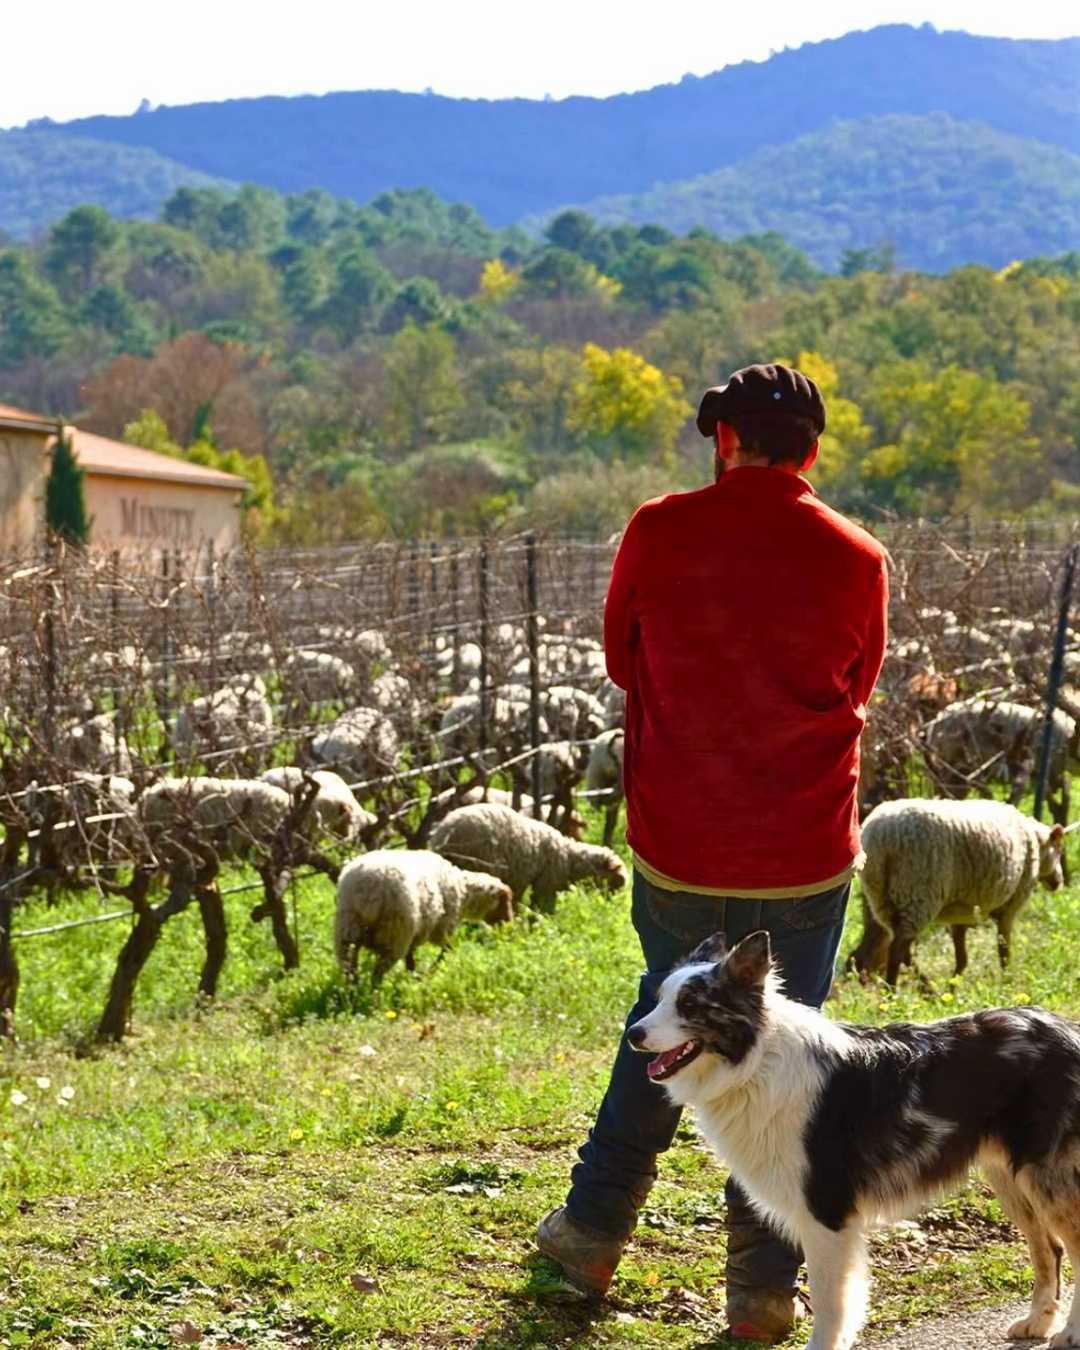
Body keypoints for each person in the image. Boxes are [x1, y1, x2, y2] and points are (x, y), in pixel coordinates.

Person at [536, 362, 889, 1343]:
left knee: (667, 1027)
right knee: (788, 1063)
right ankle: (764, 1292)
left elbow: (619, 659)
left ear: (722, 441)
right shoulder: (858, 557)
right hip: (805, 855)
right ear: (811, 451)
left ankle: (592, 1234)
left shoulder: (657, 531)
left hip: (682, 843)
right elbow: (863, 676)